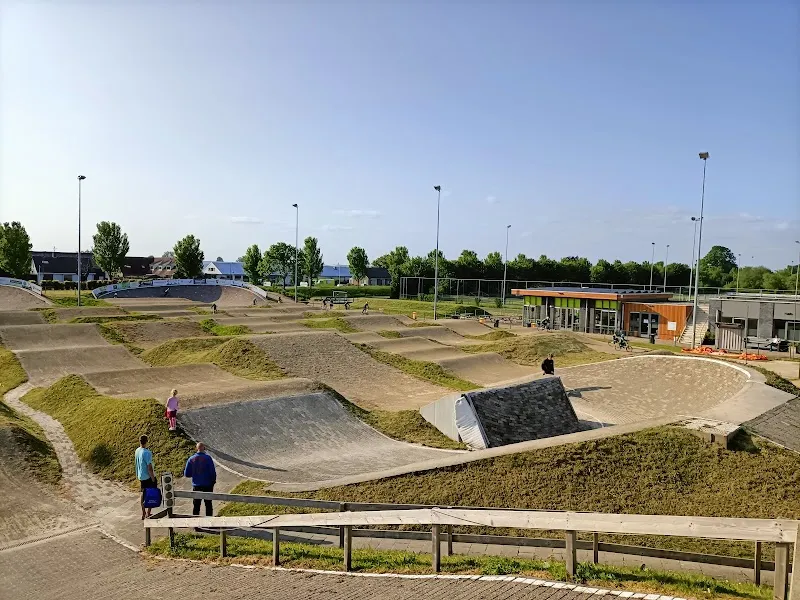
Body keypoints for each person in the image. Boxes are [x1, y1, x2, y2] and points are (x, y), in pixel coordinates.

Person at [184, 442, 217, 517]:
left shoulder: (191, 459)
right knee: (208, 504)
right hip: (208, 485)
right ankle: (209, 522)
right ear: (204, 448)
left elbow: (187, 474)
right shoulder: (208, 458)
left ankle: (196, 524)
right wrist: (213, 481)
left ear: (197, 448)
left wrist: (195, 475)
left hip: (196, 485)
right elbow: (212, 472)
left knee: (196, 505)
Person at [135, 435, 157, 520]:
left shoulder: (137, 450)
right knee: (151, 494)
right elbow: (149, 468)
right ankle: (148, 512)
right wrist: (153, 478)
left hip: (141, 476)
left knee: (143, 494)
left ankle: (143, 512)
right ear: (146, 441)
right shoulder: (147, 453)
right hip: (148, 476)